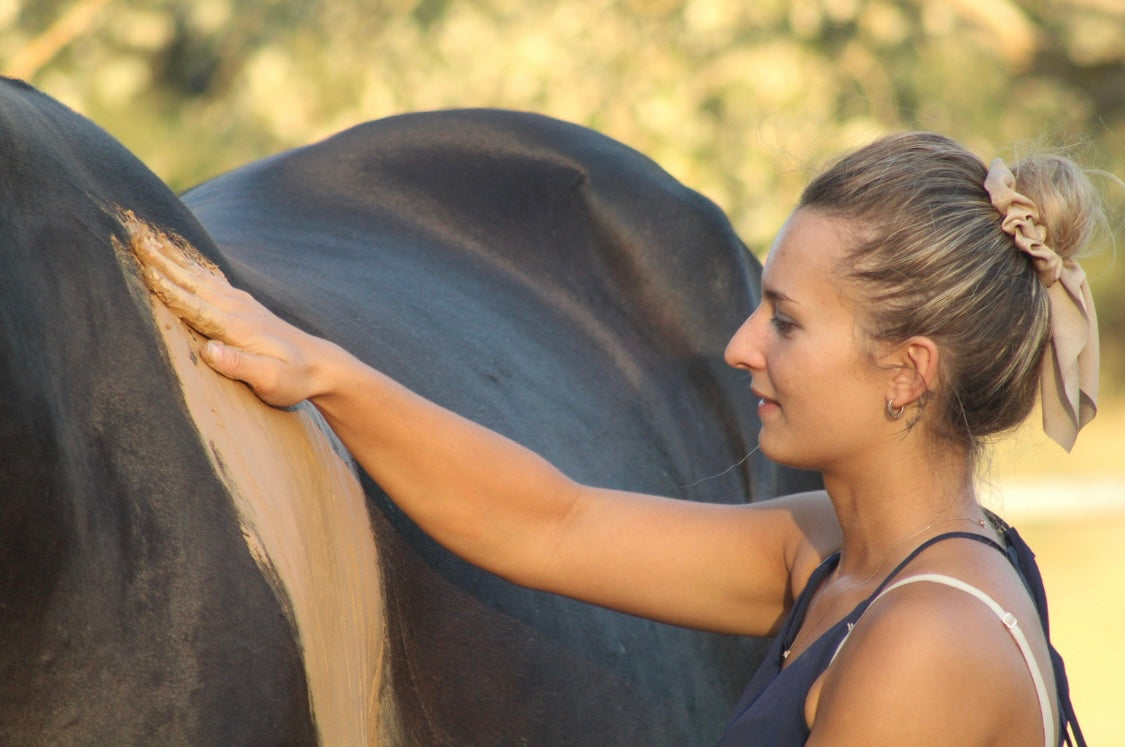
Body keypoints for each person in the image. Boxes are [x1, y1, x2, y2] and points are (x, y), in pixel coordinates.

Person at [132, 131, 1100, 745]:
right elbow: (550, 523)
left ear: (908, 371)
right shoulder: (836, 551)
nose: (740, 346)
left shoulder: (928, 638)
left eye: (786, 321)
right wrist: (323, 372)